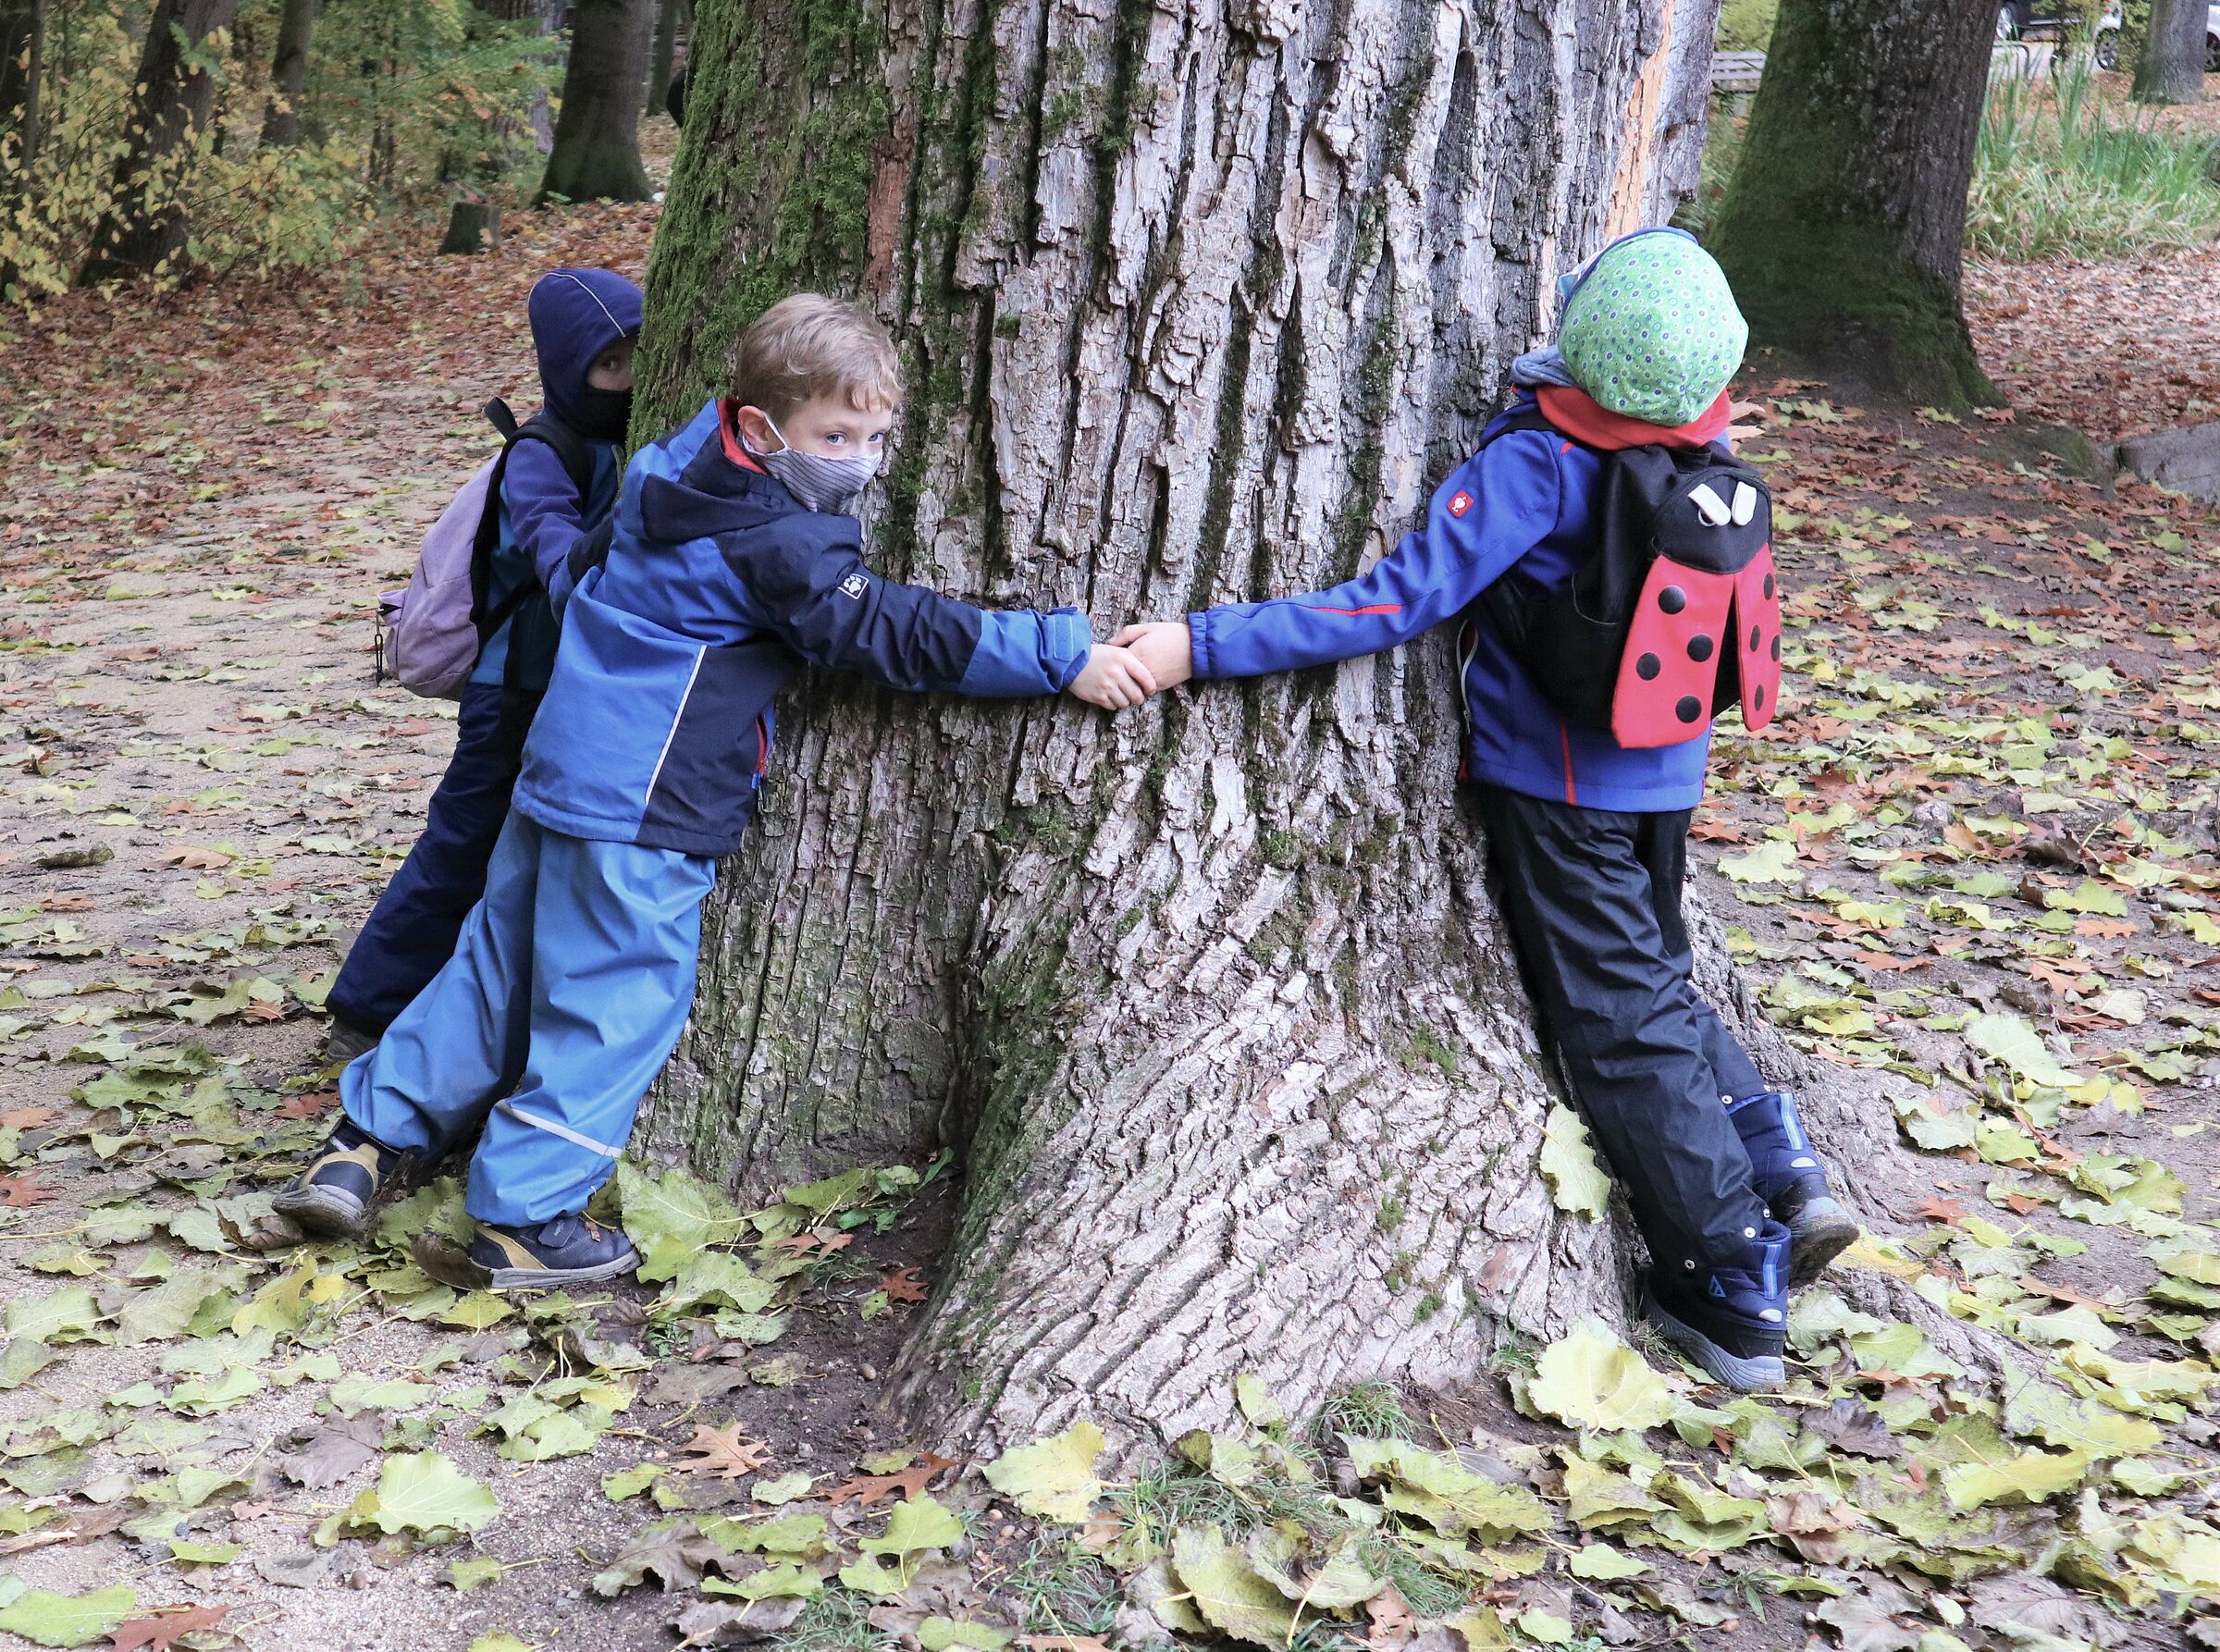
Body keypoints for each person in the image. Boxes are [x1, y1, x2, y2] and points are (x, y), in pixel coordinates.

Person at [277, 294, 1156, 1287]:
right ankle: (525, 1218)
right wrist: (1056, 652)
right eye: (834, 436)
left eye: (874, 437)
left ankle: (361, 1146)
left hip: (556, 770)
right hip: (646, 804)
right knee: (616, 1002)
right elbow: (896, 631)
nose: (859, 461)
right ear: (761, 427)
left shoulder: (668, 465)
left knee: (494, 968)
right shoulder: (781, 542)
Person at [1109, 228, 1857, 1392]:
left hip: (1561, 789)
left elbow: (1390, 603)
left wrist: (1196, 645)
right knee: (1656, 977)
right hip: (1668, 773)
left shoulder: (1539, 465)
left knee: (1620, 1023)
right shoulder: (1702, 440)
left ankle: (1727, 1270)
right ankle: (1780, 1159)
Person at [322, 268, 644, 1065]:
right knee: (463, 844)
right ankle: (366, 1009)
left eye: (640, 355)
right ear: (567, 370)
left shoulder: (624, 439)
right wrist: (629, 528)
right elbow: (554, 552)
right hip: (512, 691)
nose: (629, 378)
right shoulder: (544, 453)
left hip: (575, 688)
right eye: (609, 364)